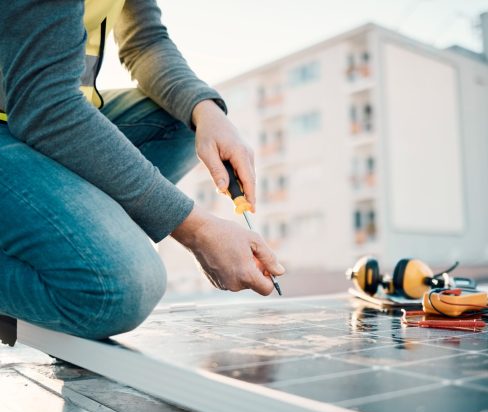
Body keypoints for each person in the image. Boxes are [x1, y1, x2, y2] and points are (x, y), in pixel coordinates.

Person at [0, 0, 285, 340]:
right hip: (35, 116)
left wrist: (206, 111)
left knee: (182, 120)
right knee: (120, 288)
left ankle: (73, 248)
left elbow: (145, 41)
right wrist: (196, 230)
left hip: (33, 119)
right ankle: (76, 270)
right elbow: (45, 107)